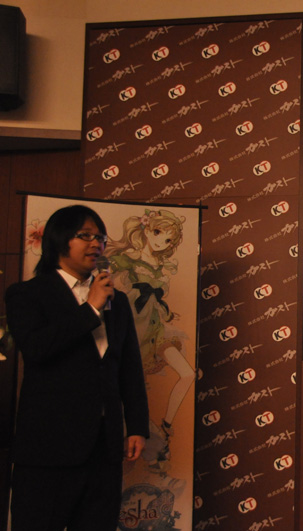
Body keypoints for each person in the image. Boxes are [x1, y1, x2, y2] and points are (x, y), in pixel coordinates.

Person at [4, 204, 149, 530]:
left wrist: (137, 426)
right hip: (48, 449)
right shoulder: (27, 294)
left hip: (104, 449)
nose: (96, 244)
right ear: (59, 239)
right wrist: (90, 308)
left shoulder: (117, 300)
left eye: (100, 238)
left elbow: (128, 367)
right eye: (85, 236)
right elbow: (37, 349)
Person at [105, 208, 193, 463]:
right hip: (132, 332)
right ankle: (140, 439)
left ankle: (166, 425)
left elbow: (156, 299)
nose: (161, 242)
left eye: (167, 239)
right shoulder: (124, 260)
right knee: (129, 387)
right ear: (146, 230)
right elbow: (104, 290)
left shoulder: (162, 267)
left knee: (187, 373)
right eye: (157, 232)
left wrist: (167, 312)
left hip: (156, 331)